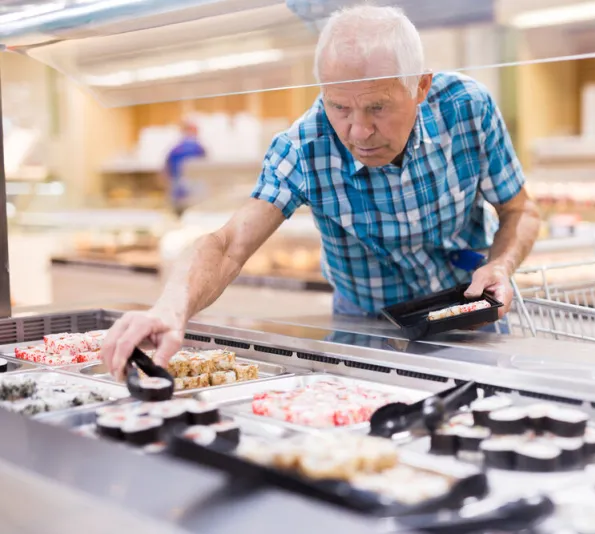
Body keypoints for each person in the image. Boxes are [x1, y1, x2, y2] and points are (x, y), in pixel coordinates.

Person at [100, 5, 540, 378]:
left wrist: (500, 266)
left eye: (378, 107)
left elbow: (520, 210)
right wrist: (170, 308)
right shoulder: (303, 147)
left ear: (420, 86)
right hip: (366, 328)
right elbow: (228, 245)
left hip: (468, 314)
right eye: (339, 107)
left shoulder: (467, 108)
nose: (359, 130)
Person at [164, 121, 206, 217]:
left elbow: (166, 169)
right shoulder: (198, 148)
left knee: (179, 214)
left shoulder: (175, 148)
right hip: (191, 190)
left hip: (178, 189)